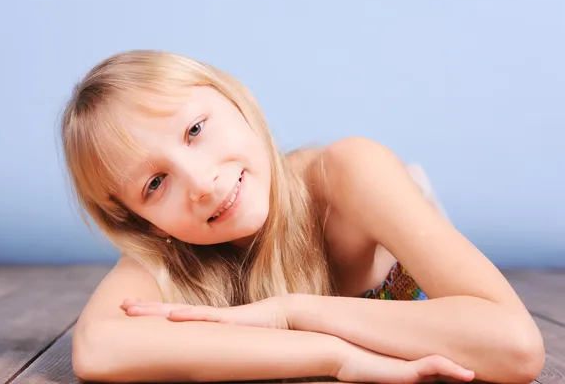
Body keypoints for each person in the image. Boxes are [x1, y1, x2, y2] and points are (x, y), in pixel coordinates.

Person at [60, 50, 544, 384]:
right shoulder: (170, 246)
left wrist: (292, 313)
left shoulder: (347, 172)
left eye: (195, 129)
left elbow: (515, 347)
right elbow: (99, 347)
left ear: (234, 98)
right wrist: (332, 355)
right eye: (155, 184)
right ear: (143, 223)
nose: (202, 183)